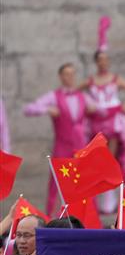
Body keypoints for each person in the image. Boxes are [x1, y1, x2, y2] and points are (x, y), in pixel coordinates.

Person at [81, 17, 125, 212]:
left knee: (114, 157)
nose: (104, 63)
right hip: (97, 121)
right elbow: (74, 94)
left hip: (114, 121)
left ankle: (116, 194)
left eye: (106, 60)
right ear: (96, 62)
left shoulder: (115, 79)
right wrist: (86, 107)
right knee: (101, 157)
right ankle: (105, 196)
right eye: (100, 60)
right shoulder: (91, 81)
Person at [22, 62, 96, 214]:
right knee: (55, 184)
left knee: (86, 183)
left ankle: (88, 219)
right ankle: (50, 218)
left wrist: (94, 109)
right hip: (62, 146)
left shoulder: (83, 96)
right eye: (66, 74)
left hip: (81, 146)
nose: (70, 77)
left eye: (72, 74)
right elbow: (28, 109)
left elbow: (100, 109)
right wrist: (47, 109)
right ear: (61, 76)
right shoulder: (53, 96)